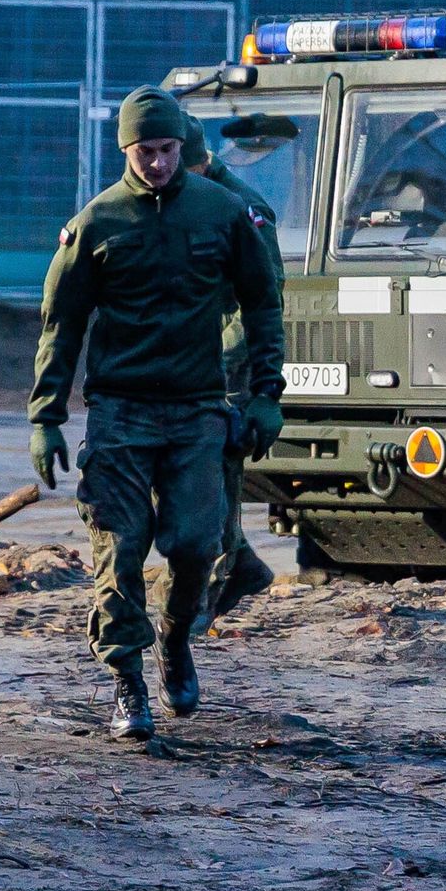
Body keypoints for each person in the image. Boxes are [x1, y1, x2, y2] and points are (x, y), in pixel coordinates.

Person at [28, 88, 285, 741]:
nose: (159, 163)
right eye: (146, 151)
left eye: (168, 150)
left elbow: (263, 302)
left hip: (196, 409)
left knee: (198, 543)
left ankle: (174, 638)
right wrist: (46, 416)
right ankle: (128, 682)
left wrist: (266, 393)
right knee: (119, 546)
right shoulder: (97, 223)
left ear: (181, 148)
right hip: (120, 410)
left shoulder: (223, 212)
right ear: (126, 150)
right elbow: (62, 324)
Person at [181, 114, 283, 632]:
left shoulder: (243, 208)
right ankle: (240, 564)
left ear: (198, 161)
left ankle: (209, 591)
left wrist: (230, 363)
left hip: (226, 366)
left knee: (212, 475)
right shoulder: (184, 199)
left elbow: (262, 299)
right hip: (186, 362)